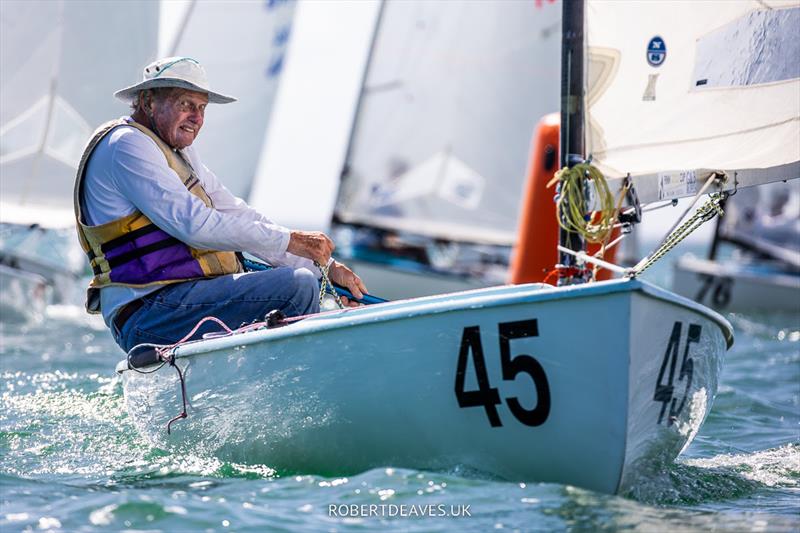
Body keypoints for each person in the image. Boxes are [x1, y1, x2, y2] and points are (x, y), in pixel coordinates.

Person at [73, 56, 367, 352]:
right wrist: (292, 241)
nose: (197, 118)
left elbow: (236, 212)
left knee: (306, 281)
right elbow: (195, 225)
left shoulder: (179, 153)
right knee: (297, 286)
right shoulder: (126, 144)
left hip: (178, 302)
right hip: (149, 312)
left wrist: (325, 269)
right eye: (186, 104)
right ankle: (296, 385)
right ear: (149, 102)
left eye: (202, 108)